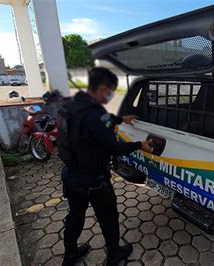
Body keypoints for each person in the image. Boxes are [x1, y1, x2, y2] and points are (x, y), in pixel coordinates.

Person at [59, 67, 153, 266]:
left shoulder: (71, 105)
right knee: (108, 218)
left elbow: (97, 122)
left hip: (71, 175)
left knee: (75, 215)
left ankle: (70, 255)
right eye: (111, 91)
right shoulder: (95, 114)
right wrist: (140, 145)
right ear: (103, 88)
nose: (111, 96)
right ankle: (114, 255)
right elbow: (115, 147)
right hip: (94, 181)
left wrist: (121, 119)